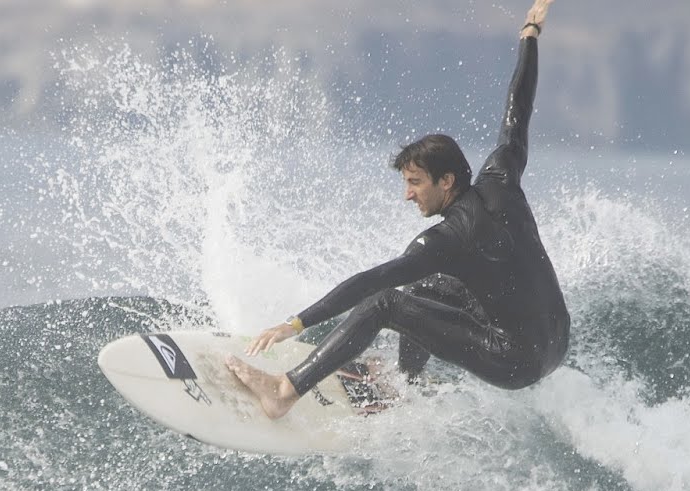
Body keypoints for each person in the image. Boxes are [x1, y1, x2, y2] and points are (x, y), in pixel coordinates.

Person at [227, 0, 569, 419]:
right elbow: (518, 112)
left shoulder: (445, 240)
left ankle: (283, 391)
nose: (408, 195)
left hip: (513, 360)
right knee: (426, 289)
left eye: (415, 183)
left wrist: (295, 323)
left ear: (446, 181)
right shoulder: (501, 175)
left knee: (385, 303)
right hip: (556, 341)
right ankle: (406, 383)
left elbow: (371, 282)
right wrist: (530, 36)